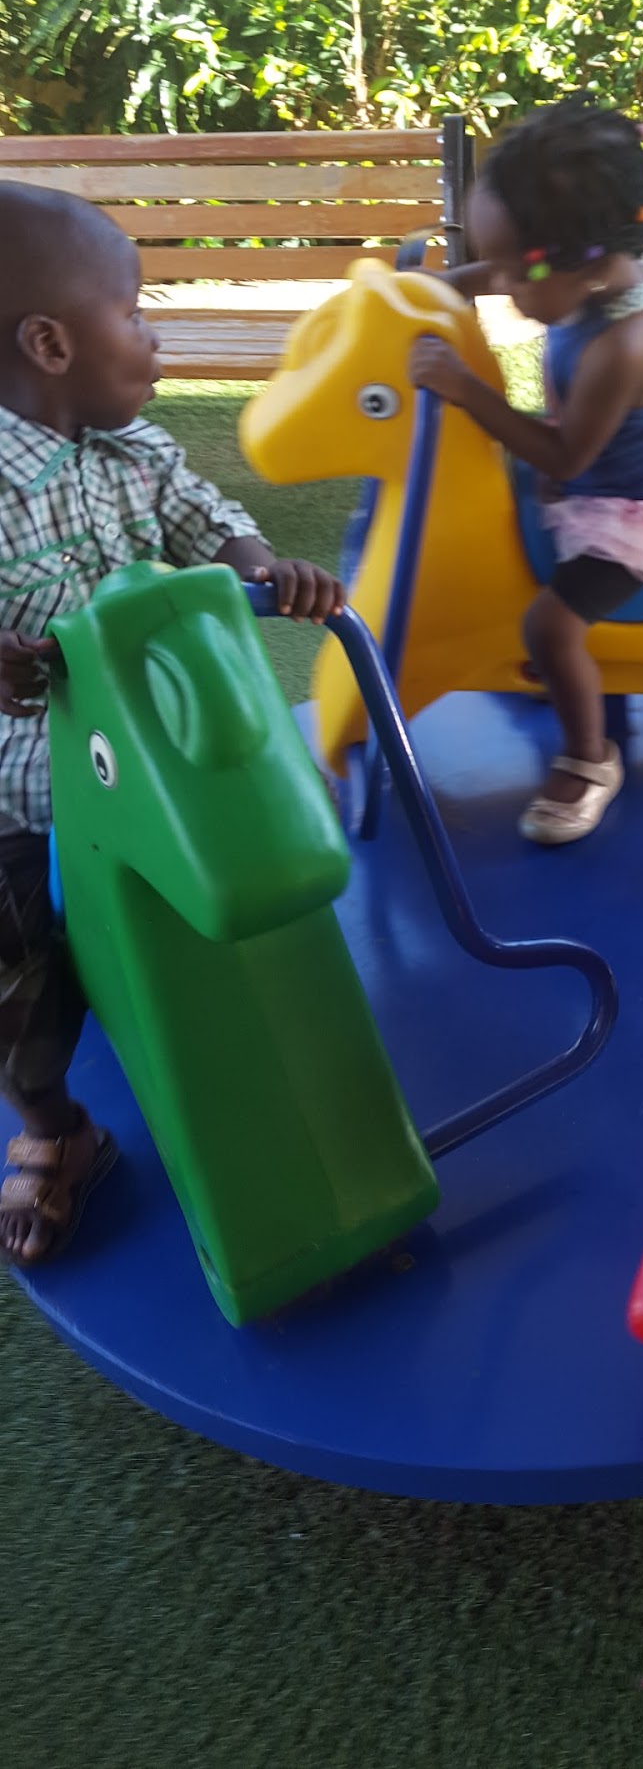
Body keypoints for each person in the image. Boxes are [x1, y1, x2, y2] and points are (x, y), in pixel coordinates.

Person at [0, 182, 344, 1270]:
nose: (152, 336)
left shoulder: (140, 453)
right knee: (18, 985)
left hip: (157, 773)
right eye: (135, 310)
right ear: (50, 344)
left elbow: (211, 521)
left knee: (217, 927)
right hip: (26, 792)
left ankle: (252, 1068)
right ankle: (58, 1128)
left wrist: (263, 566)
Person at [409, 95, 643, 847]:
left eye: (513, 271)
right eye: (493, 263)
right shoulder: (584, 268)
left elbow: (566, 458)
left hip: (638, 509)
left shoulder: (624, 344)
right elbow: (523, 266)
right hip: (592, 467)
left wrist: (467, 390)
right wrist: (453, 283)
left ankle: (589, 758)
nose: (500, 284)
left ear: (583, 263)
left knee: (549, 626)